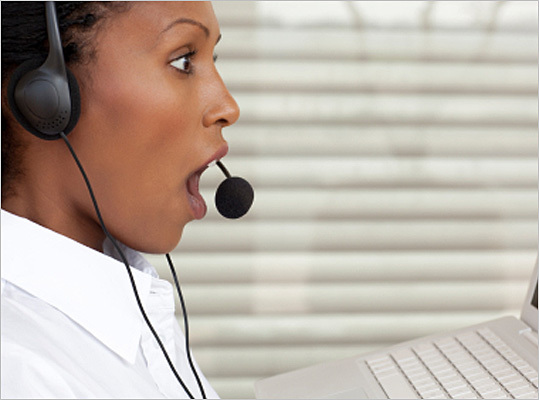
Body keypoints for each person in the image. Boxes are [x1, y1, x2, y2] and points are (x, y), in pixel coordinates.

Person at [1, 1, 240, 398]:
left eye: (211, 58)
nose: (228, 108)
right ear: (46, 98)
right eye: (183, 61)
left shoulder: (129, 313)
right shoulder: (21, 372)